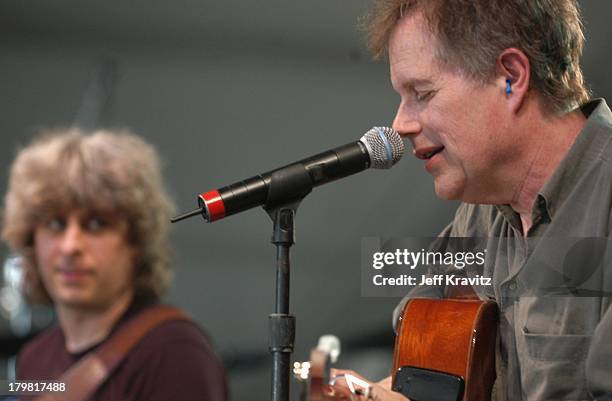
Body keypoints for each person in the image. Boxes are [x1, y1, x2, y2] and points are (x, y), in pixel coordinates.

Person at [328, 0, 612, 400]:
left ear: (511, 77)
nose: (399, 125)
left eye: (422, 93)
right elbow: (425, 368)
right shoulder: (480, 217)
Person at [1, 129, 228, 400]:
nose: (70, 245)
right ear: (31, 240)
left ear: (136, 241)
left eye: (96, 224)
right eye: (55, 224)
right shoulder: (33, 357)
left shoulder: (175, 354)